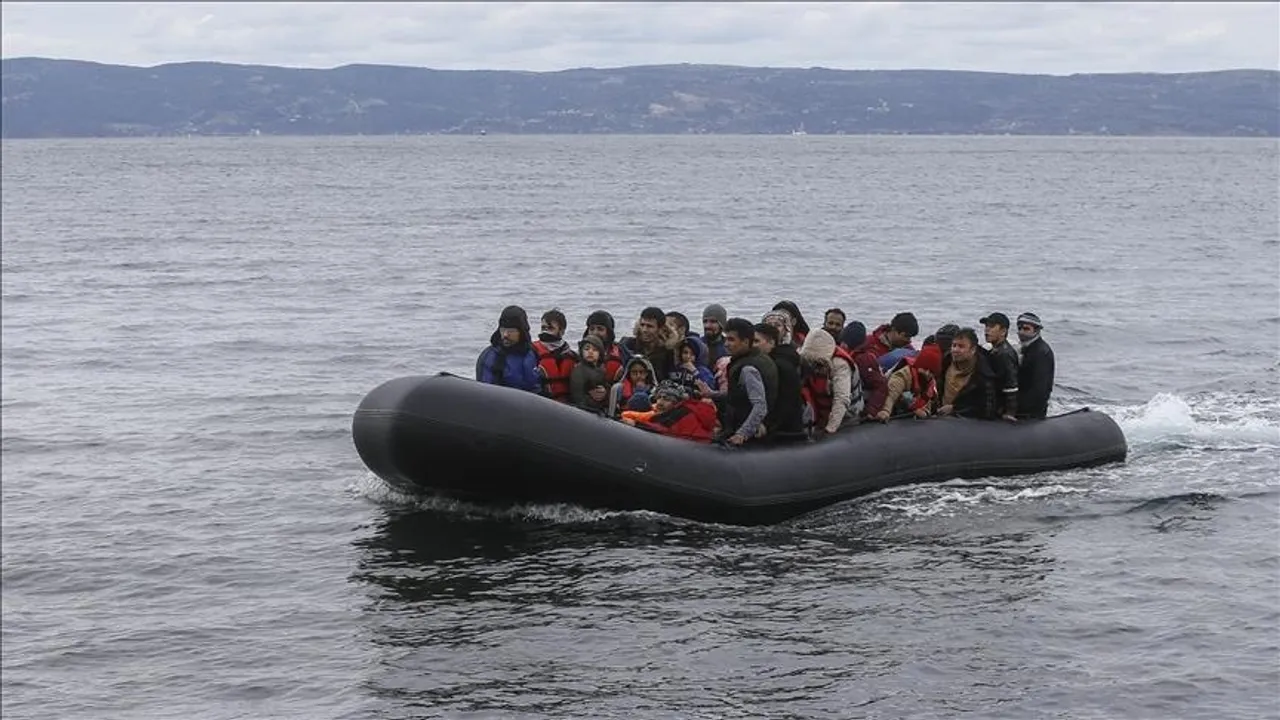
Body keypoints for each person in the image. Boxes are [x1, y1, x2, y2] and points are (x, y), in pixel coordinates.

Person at [700, 317, 777, 446]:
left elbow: (760, 406)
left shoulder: (748, 369)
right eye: (726, 339)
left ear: (745, 342)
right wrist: (712, 394)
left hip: (749, 434)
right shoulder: (757, 357)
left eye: (731, 340)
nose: (726, 344)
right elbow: (739, 395)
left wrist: (742, 434)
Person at [799, 329, 861, 439]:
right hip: (822, 412)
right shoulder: (804, 358)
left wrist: (830, 428)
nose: (814, 368)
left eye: (817, 363)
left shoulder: (840, 365)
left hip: (846, 414)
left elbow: (841, 398)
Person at [754, 322, 806, 441]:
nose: (752, 345)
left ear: (772, 343)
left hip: (784, 432)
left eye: (756, 341)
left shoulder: (781, 366)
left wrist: (767, 425)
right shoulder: (764, 362)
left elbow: (786, 402)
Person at [622, 380, 719, 443]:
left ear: (676, 403)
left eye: (667, 399)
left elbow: (663, 431)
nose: (660, 402)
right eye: (659, 397)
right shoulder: (686, 411)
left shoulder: (680, 414)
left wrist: (636, 424)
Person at [934, 327, 1000, 420]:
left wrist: (955, 409)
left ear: (973, 350)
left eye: (961, 346)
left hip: (965, 422)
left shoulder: (984, 374)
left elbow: (987, 410)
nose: (955, 350)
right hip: (940, 417)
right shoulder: (946, 360)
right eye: (954, 345)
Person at [475, 305, 541, 392]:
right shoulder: (490, 357)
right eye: (503, 330)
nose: (505, 335)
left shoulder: (532, 353)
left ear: (522, 332)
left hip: (532, 398)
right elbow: (485, 392)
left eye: (511, 331)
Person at [873, 343, 942, 421]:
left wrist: (925, 411)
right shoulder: (902, 375)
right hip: (895, 413)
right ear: (918, 365)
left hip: (911, 417)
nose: (927, 373)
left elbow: (928, 402)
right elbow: (891, 395)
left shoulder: (931, 383)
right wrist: (886, 411)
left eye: (931, 371)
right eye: (925, 369)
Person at [838, 321, 887, 421]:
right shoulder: (851, 355)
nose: (841, 345)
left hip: (865, 397)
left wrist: (871, 411)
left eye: (844, 343)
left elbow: (881, 386)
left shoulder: (863, 359)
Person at [1014, 312, 1056, 419]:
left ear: (1036, 330)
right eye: (1019, 328)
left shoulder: (1041, 353)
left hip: (1030, 413)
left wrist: (1021, 409)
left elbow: (1040, 389)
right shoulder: (1027, 348)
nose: (1021, 332)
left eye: (1026, 329)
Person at [531, 309, 578, 403]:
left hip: (568, 405)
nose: (545, 332)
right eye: (543, 328)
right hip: (542, 403)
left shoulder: (572, 356)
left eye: (550, 328)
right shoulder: (533, 351)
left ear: (562, 331)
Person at [980, 312, 1020, 421]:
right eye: (986, 326)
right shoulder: (995, 350)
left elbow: (1011, 385)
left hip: (1000, 410)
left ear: (1003, 331)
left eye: (991, 326)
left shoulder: (1004, 354)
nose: (987, 330)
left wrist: (1010, 412)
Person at [620, 306, 677, 379]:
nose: (644, 330)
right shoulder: (628, 345)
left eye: (649, 326)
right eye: (642, 325)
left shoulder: (667, 352)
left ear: (660, 329)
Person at [569, 334, 610, 414]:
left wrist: (605, 392)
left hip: (600, 409)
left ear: (600, 354)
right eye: (587, 349)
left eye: (595, 350)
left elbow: (606, 385)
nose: (590, 352)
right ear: (581, 352)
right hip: (585, 412)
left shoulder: (601, 370)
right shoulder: (578, 371)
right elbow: (578, 397)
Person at [583, 310, 626, 384]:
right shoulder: (580, 355)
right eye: (592, 329)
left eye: (600, 329)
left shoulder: (622, 352)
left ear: (609, 332)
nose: (595, 333)